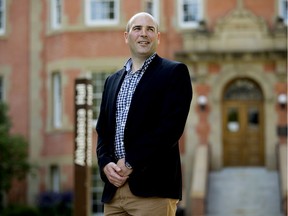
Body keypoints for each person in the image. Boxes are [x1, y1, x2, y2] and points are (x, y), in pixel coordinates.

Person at [96, 12, 193, 216]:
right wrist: (105, 164)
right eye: (137, 29)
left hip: (153, 192)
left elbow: (170, 128)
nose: (144, 34)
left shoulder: (174, 73)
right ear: (126, 36)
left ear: (158, 37)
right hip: (114, 194)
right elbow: (103, 131)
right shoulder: (111, 81)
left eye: (150, 29)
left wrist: (131, 161)